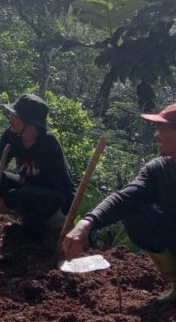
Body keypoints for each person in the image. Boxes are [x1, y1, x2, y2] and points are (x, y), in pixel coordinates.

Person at [63, 102, 176, 303]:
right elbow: (125, 197)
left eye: (162, 129)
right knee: (134, 213)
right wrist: (86, 223)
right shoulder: (159, 170)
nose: (156, 136)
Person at [0, 94, 75, 236]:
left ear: (29, 122)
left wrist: (11, 198)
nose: (11, 119)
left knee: (24, 195)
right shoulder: (12, 135)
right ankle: (28, 223)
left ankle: (44, 229)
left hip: (54, 199)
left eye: (15, 116)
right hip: (27, 187)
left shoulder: (47, 143)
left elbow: (49, 185)